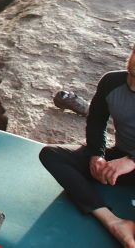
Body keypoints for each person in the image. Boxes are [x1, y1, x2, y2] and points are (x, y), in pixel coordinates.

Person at [40, 46, 135, 248]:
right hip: (117, 161)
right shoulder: (112, 82)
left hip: (128, 163)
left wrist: (131, 161)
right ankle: (113, 221)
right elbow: (96, 122)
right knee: (51, 154)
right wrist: (96, 155)